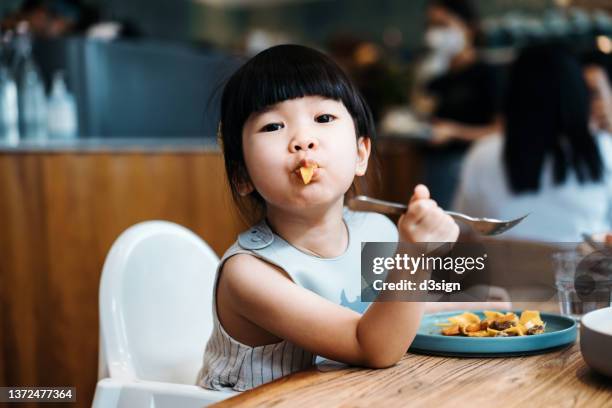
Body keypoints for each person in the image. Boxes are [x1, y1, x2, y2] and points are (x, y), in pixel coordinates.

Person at [195, 44, 513, 392]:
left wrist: (472, 309)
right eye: (273, 126)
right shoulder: (249, 274)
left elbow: (386, 315)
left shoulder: (373, 229)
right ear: (242, 176)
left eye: (323, 119)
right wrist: (414, 255)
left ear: (360, 154)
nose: (303, 141)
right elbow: (372, 345)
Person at [453, 45, 612, 242]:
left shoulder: (484, 154)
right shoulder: (603, 150)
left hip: (501, 271)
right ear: (578, 95)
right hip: (579, 270)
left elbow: (464, 232)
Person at [414, 0, 503, 208]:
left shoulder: (488, 74)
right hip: (433, 165)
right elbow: (421, 111)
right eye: (432, 26)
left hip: (469, 165)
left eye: (443, 25)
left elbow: (500, 130)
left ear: (469, 28)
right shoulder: (437, 76)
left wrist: (454, 132)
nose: (435, 33)